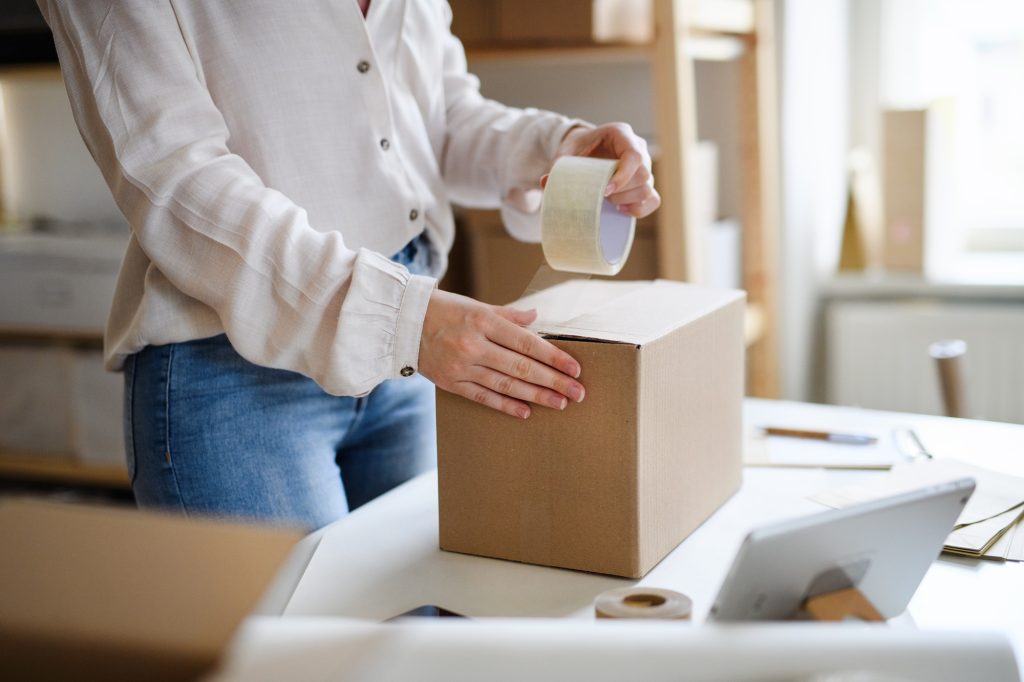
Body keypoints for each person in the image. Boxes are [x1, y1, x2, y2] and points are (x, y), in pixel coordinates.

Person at [38, 0, 661, 530]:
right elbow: (172, 174)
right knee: (299, 657)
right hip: (231, 375)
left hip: (407, 356)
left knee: (409, 639)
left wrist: (559, 146)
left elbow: (435, 116)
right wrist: (403, 318)